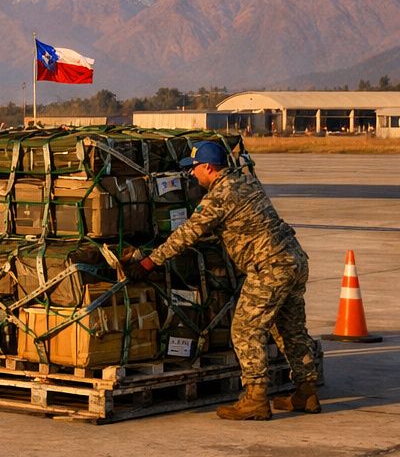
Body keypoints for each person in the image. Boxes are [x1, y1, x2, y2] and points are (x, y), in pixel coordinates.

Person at [125, 140, 322, 420]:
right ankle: (307, 390)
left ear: (208, 167)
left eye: (194, 169)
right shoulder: (246, 183)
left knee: (245, 329)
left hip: (270, 267)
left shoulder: (220, 196)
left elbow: (188, 233)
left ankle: (255, 398)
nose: (192, 175)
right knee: (289, 328)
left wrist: (149, 262)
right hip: (294, 261)